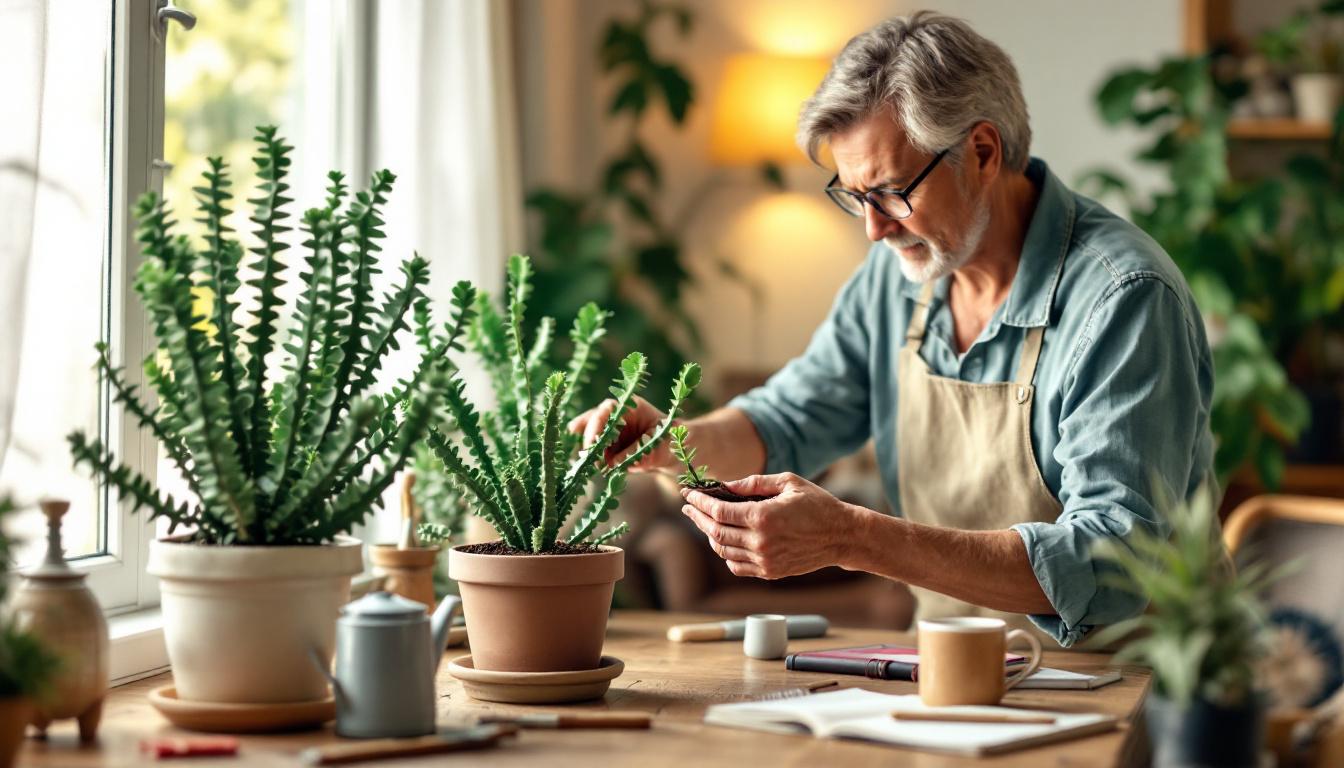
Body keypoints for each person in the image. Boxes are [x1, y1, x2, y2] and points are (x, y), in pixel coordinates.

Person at [568, 11, 1214, 648]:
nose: (873, 228)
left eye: (891, 191)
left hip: (1138, 687)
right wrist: (670, 442)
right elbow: (788, 422)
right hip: (955, 673)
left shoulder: (1122, 298)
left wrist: (852, 536)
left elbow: (1111, 564)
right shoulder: (896, 277)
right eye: (852, 194)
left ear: (982, 152)